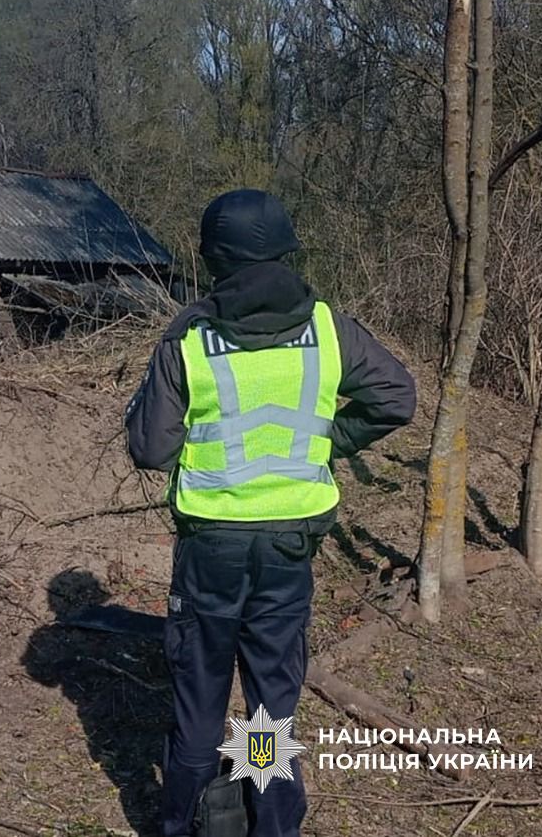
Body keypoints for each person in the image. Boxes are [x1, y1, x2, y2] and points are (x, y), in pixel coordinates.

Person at [124, 190, 416, 837]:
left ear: (213, 259)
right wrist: (331, 441)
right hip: (289, 547)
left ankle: (184, 826)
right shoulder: (329, 329)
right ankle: (272, 826)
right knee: (268, 709)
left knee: (200, 706)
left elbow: (150, 448)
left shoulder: (190, 338)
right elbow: (396, 397)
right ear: (286, 250)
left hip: (211, 547)